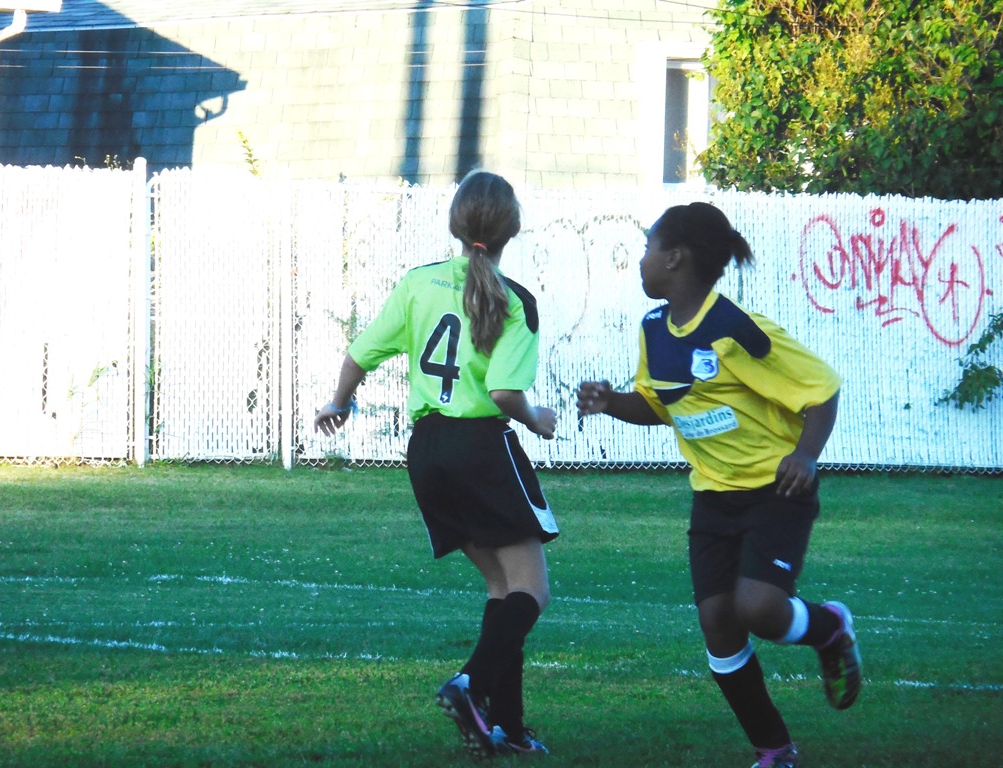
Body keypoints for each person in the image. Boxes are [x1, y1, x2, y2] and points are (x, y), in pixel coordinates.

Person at [577, 202, 861, 768]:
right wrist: (612, 403)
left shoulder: (734, 329)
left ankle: (830, 629)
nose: (641, 260)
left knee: (759, 608)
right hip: (712, 497)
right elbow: (659, 405)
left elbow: (821, 388)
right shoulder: (653, 329)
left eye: (648, 247)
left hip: (774, 491)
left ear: (674, 258)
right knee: (718, 623)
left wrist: (806, 455)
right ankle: (774, 748)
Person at [314, 170, 557, 759]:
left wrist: (338, 403)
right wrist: (537, 419)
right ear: (513, 228)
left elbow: (360, 353)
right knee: (532, 589)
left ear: (455, 223)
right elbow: (503, 393)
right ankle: (469, 684)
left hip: (427, 450)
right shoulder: (514, 301)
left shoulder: (418, 283)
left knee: (502, 588)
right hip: (481, 448)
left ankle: (508, 727)